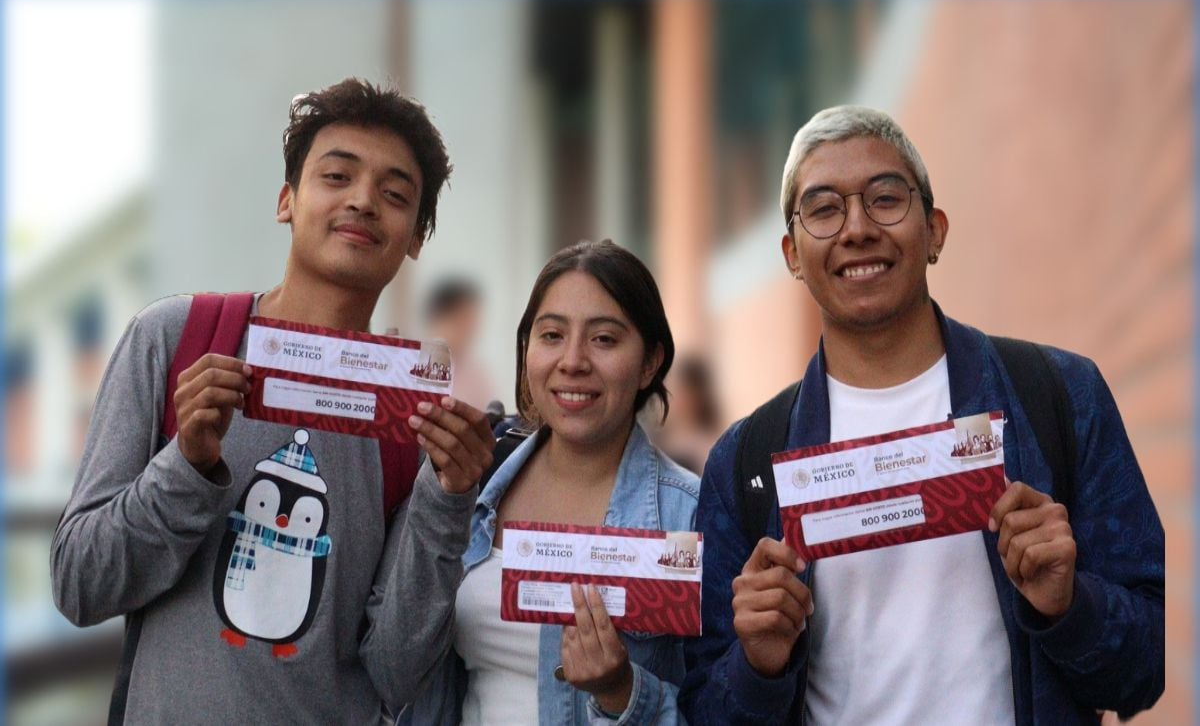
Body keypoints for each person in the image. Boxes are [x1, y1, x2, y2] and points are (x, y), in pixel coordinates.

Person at [679, 106, 1164, 724]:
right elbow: (704, 707)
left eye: (885, 199)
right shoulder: (745, 462)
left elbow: (1148, 665)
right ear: (792, 254)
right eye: (824, 209)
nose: (857, 228)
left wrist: (1069, 606)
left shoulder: (1060, 396)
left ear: (934, 232)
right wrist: (758, 666)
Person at [50, 78, 496, 724]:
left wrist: (448, 499)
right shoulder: (178, 340)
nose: (363, 201)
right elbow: (81, 586)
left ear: (416, 237)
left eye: (395, 194)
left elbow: (395, 669)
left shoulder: (409, 414)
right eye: (337, 176)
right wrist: (188, 464)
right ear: (287, 200)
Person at [403, 240, 699, 724]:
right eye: (551, 335)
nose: (573, 361)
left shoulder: (690, 515)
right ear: (527, 350)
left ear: (650, 361)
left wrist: (622, 694)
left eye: (604, 339)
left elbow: (722, 709)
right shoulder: (472, 486)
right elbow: (400, 662)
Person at [423, 276, 497, 409]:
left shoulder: (477, 376)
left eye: (472, 321)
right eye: (460, 321)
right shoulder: (411, 362)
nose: (471, 329)